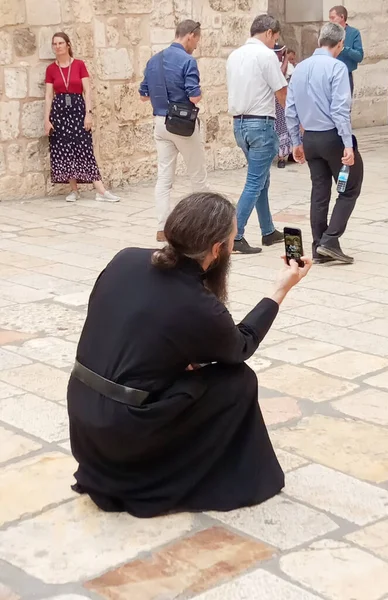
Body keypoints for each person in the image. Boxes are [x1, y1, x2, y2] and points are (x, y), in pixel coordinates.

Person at [67, 192, 312, 518]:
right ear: (216, 250)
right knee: (237, 381)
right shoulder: (198, 305)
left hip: (84, 420)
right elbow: (241, 347)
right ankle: (204, 474)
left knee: (192, 370)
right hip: (121, 434)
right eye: (230, 240)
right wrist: (280, 288)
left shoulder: (125, 259)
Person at [286, 22, 364, 265]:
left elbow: (290, 109)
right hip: (332, 136)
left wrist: (295, 142)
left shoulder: (299, 68)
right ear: (340, 44)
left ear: (320, 40)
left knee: (319, 192)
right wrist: (348, 143)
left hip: (310, 138)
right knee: (350, 186)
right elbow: (340, 109)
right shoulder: (337, 68)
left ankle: (318, 244)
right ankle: (330, 240)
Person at [139, 20, 209, 243]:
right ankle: (202, 227)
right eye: (196, 40)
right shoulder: (188, 61)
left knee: (164, 177)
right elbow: (194, 96)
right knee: (197, 176)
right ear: (190, 35)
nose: (196, 45)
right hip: (183, 125)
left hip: (160, 123)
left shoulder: (153, 61)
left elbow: (143, 95)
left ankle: (162, 227)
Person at [226, 14, 288, 254]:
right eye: (275, 39)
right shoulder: (265, 55)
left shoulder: (234, 55)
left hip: (239, 125)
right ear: (269, 32)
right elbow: (281, 92)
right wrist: (295, 121)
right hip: (260, 124)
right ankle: (236, 235)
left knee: (261, 180)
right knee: (255, 181)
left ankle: (268, 230)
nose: (275, 44)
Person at [44, 32, 120, 203]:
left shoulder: (79, 65)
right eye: (54, 44)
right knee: (64, 150)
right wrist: (46, 119)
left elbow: (87, 91)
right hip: (59, 112)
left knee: (84, 149)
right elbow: (49, 95)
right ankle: (74, 190)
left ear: (68, 45)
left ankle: (100, 190)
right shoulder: (51, 69)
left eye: (61, 43)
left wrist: (88, 114)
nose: (58, 47)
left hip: (78, 110)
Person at [329, 5, 363, 96]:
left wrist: (344, 49)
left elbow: (359, 56)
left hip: (345, 75)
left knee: (345, 106)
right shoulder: (327, 32)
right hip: (328, 74)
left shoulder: (354, 33)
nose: (330, 21)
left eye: (333, 18)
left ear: (342, 17)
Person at [273, 43, 292, 169]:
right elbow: (281, 75)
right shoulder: (274, 65)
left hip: (288, 99)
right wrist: (285, 59)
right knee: (280, 127)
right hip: (276, 102)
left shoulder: (288, 66)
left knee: (290, 126)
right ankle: (280, 157)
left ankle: (290, 153)